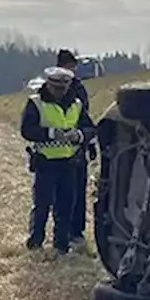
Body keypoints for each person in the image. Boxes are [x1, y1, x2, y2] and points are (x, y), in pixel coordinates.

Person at [21, 66, 96, 255]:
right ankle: (35, 241)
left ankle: (61, 245)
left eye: (63, 88)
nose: (60, 92)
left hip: (69, 163)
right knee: (42, 205)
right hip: (45, 162)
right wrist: (51, 134)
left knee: (66, 206)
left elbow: (89, 128)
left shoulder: (77, 104)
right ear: (49, 85)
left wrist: (78, 135)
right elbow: (27, 130)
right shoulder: (36, 103)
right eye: (56, 88)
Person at [55, 49, 94, 245]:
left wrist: (87, 140)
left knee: (79, 191)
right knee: (60, 194)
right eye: (68, 67)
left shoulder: (79, 89)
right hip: (55, 151)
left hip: (77, 147)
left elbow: (86, 117)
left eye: (73, 67)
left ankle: (76, 232)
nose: (71, 71)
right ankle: (61, 232)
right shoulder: (51, 89)